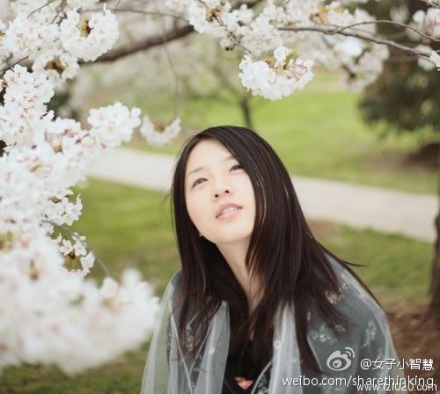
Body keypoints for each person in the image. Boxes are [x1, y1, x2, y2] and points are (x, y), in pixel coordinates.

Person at [141, 126, 404, 394]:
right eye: (199, 181)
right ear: (190, 220)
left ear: (276, 186)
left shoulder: (346, 315)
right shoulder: (190, 296)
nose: (220, 188)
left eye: (236, 168)